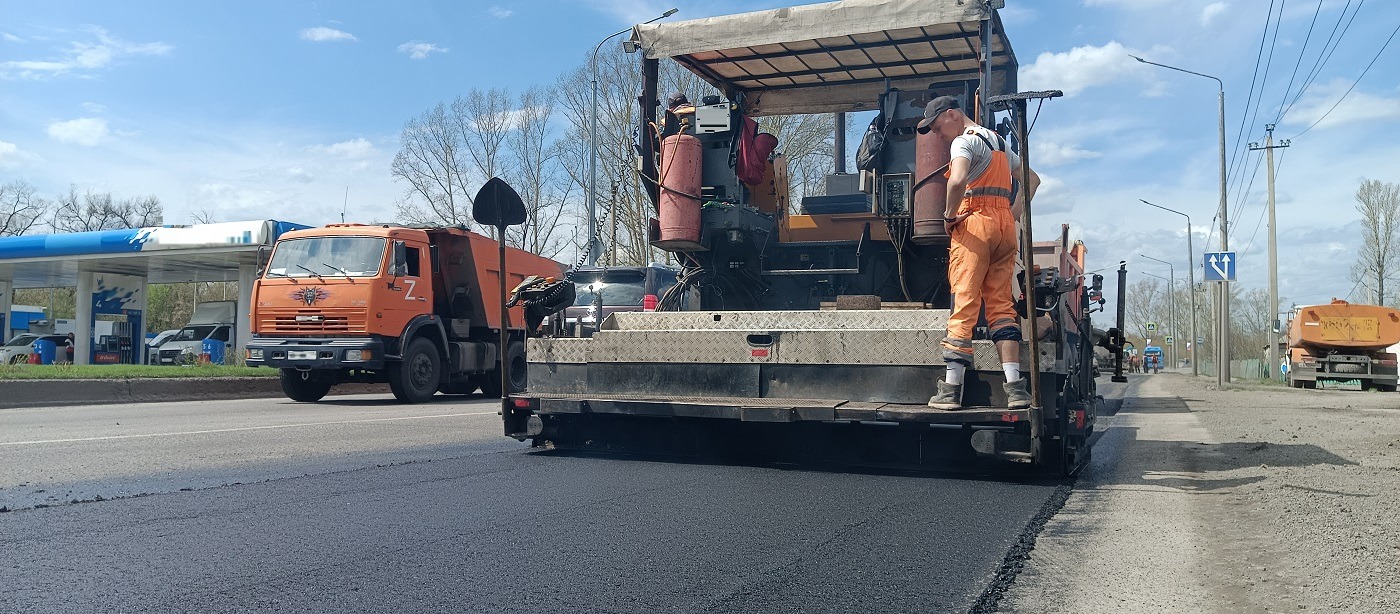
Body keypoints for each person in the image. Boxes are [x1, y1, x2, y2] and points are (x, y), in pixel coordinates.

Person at [918, 96, 1041, 410]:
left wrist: (948, 217)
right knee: (1001, 306)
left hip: (975, 226)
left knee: (965, 303)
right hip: (1004, 228)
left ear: (952, 115)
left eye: (937, 126)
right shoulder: (998, 142)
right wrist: (1012, 212)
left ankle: (950, 392)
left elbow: (957, 179)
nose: (937, 134)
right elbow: (1033, 178)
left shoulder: (963, 142)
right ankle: (1015, 390)